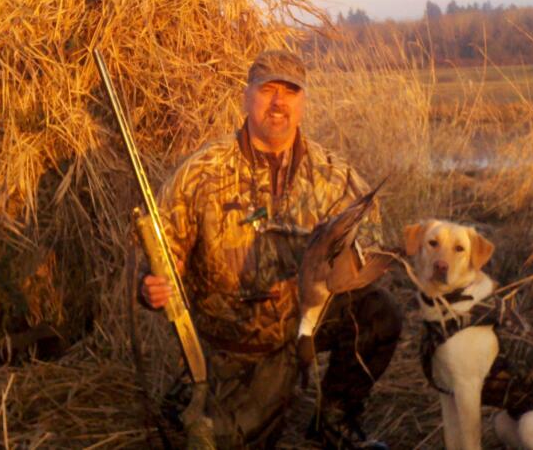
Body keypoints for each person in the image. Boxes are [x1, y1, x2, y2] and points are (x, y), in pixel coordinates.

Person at [140, 49, 401, 449]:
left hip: (305, 324)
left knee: (379, 313)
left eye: (290, 92)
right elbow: (157, 258)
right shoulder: (201, 173)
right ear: (247, 97)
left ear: (302, 102)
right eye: (268, 90)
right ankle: (209, 395)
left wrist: (348, 266)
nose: (279, 102)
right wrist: (152, 286)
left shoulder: (334, 175)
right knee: (220, 439)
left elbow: (376, 243)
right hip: (235, 345)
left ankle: (334, 418)